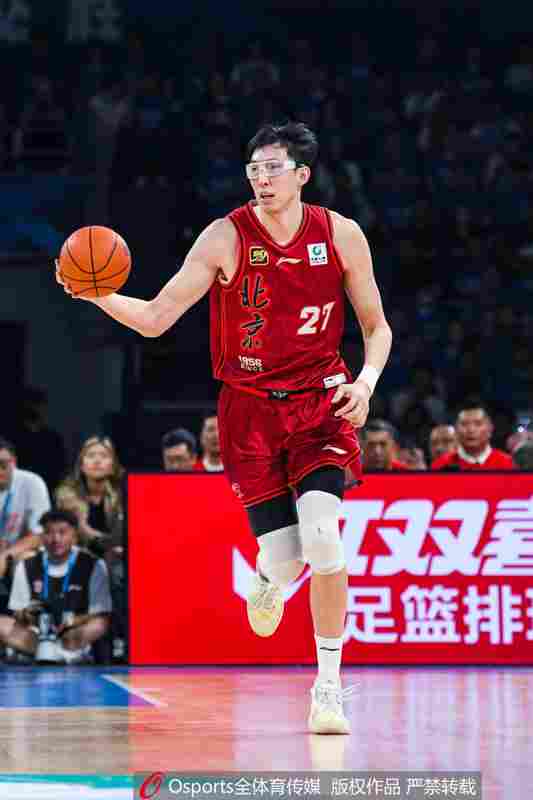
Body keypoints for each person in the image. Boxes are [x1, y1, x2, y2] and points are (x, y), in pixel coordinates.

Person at [56, 121, 392, 734]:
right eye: (253, 169)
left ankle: (327, 688)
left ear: (302, 175)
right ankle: (268, 579)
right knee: (285, 559)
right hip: (251, 411)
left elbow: (377, 327)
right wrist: (94, 293)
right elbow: (156, 318)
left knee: (325, 539)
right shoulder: (225, 237)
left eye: (273, 168)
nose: (261, 178)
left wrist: (365, 384)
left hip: (321, 403)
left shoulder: (341, 234)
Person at [0, 509, 111, 664]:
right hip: (37, 636)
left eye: (62, 532)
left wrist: (73, 621)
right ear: (42, 536)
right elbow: (17, 611)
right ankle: (49, 654)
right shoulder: (26, 565)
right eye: (49, 533)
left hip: (72, 635)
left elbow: (100, 611)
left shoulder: (93, 565)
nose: (56, 539)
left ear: (74, 535)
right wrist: (27, 614)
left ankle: (66, 653)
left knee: (99, 624)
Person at [0, 437, 51, 603]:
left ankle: (27, 613)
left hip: (17, 551)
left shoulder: (31, 483)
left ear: (14, 462)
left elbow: (40, 534)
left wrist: (5, 555)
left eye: (3, 465)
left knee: (26, 559)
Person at [431, 404, 515, 470]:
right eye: (464, 424)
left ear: (490, 429)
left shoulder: (507, 463)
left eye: (478, 424)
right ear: (456, 430)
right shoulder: (441, 465)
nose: (471, 430)